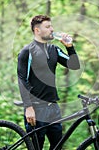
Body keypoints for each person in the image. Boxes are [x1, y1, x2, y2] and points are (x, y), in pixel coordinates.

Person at [17, 15, 80, 150]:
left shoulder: (54, 50)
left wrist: (70, 47)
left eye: (51, 26)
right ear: (37, 30)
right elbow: (22, 79)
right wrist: (28, 107)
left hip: (53, 108)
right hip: (36, 109)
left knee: (57, 146)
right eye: (47, 27)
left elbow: (74, 65)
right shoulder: (27, 52)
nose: (52, 29)